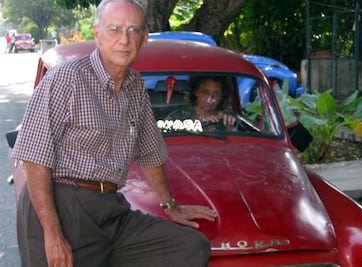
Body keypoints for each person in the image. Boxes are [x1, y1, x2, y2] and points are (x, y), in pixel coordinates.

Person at [12, 0, 217, 266]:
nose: (124, 39)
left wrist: (171, 206)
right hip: (63, 204)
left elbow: (150, 154)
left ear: (144, 38)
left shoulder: (134, 86)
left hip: (111, 208)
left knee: (190, 247)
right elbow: (36, 159)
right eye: (114, 29)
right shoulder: (68, 78)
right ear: (97, 34)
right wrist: (52, 234)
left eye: (133, 31)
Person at [166, 75, 237, 131]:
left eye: (216, 94)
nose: (210, 98)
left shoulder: (227, 118)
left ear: (222, 96)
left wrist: (229, 130)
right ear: (196, 92)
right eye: (205, 92)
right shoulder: (177, 117)